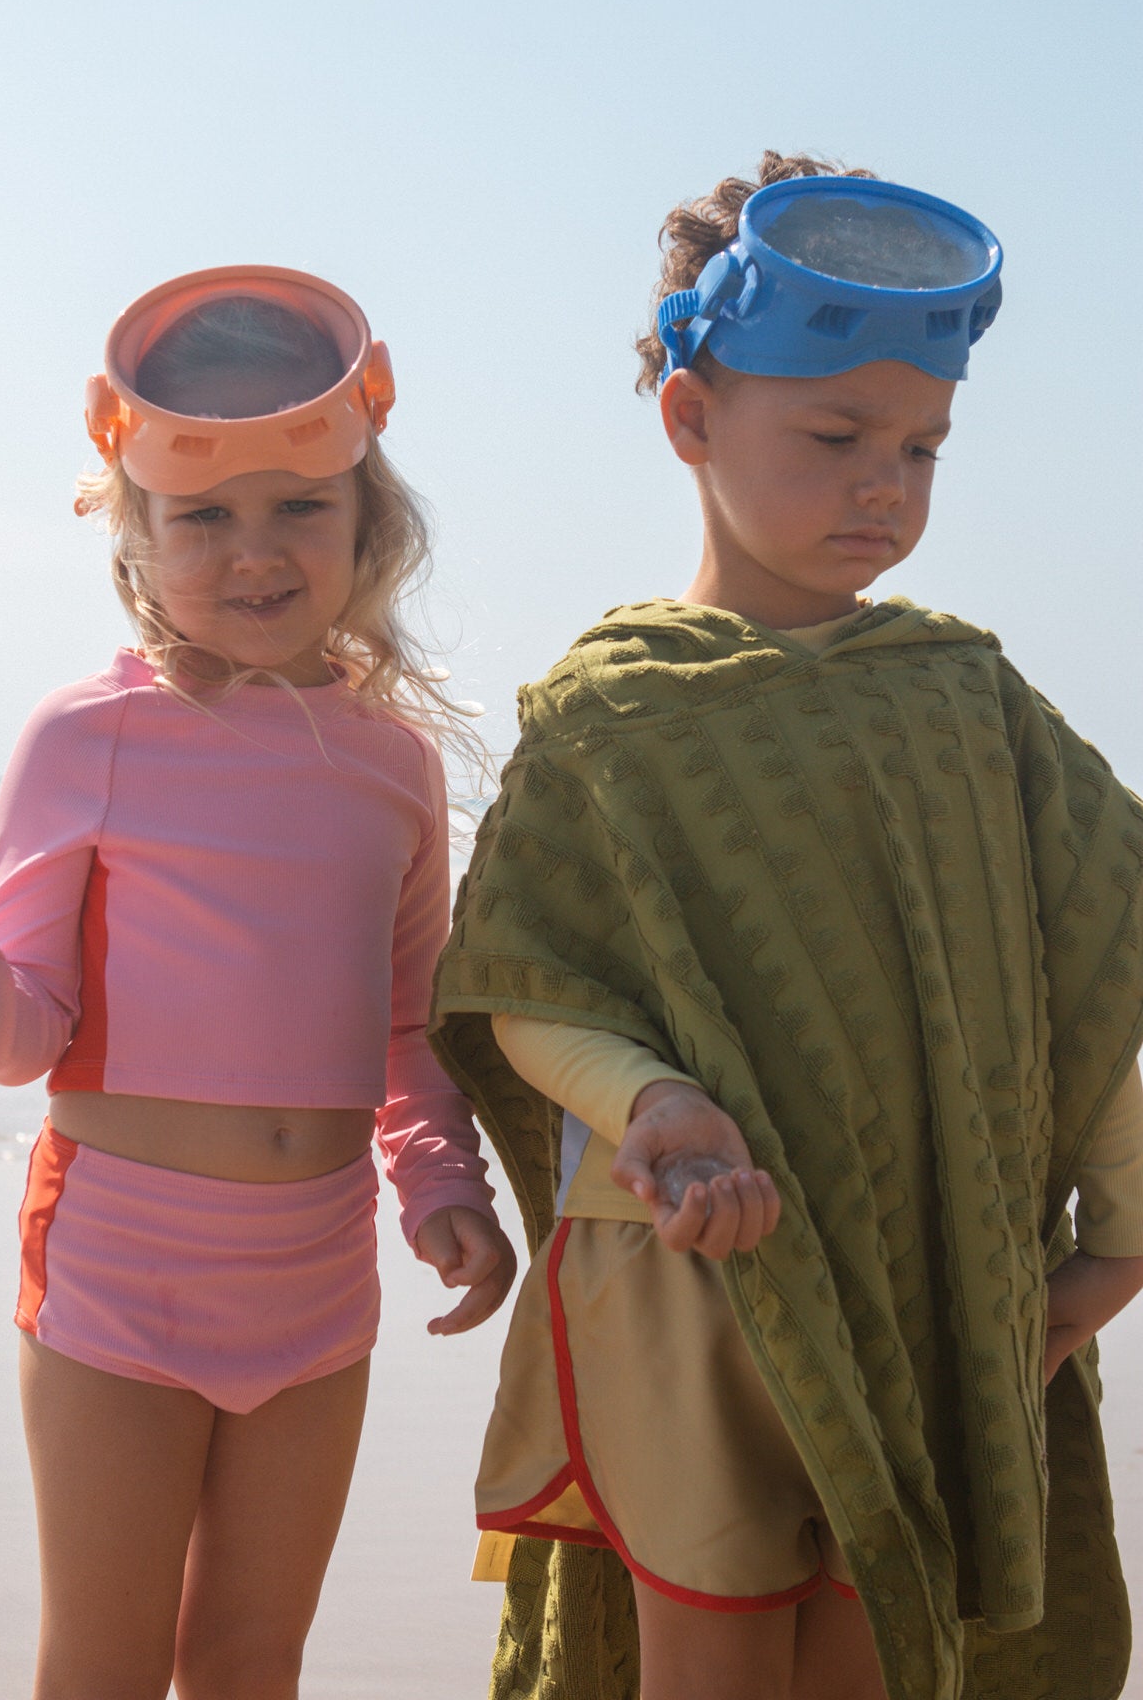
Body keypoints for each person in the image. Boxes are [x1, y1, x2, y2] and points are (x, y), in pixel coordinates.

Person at [429, 154, 1143, 1700]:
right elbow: (522, 987)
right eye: (835, 437)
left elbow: (1086, 974)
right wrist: (656, 1104)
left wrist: (1114, 1243)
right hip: (690, 1288)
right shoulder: (611, 715)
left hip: (927, 1275)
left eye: (922, 447)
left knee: (882, 1647)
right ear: (691, 418)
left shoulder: (968, 702)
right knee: (710, 1657)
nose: (885, 484)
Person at [0, 264, 516, 1700]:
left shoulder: (395, 764)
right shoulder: (84, 736)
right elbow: (27, 1031)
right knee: (101, 1664)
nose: (254, 550)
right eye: (203, 516)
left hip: (319, 1276)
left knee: (249, 1660)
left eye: (300, 507)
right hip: (120, 1270)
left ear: (370, 521)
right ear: (136, 531)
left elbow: (408, 1028)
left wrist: (441, 1183)